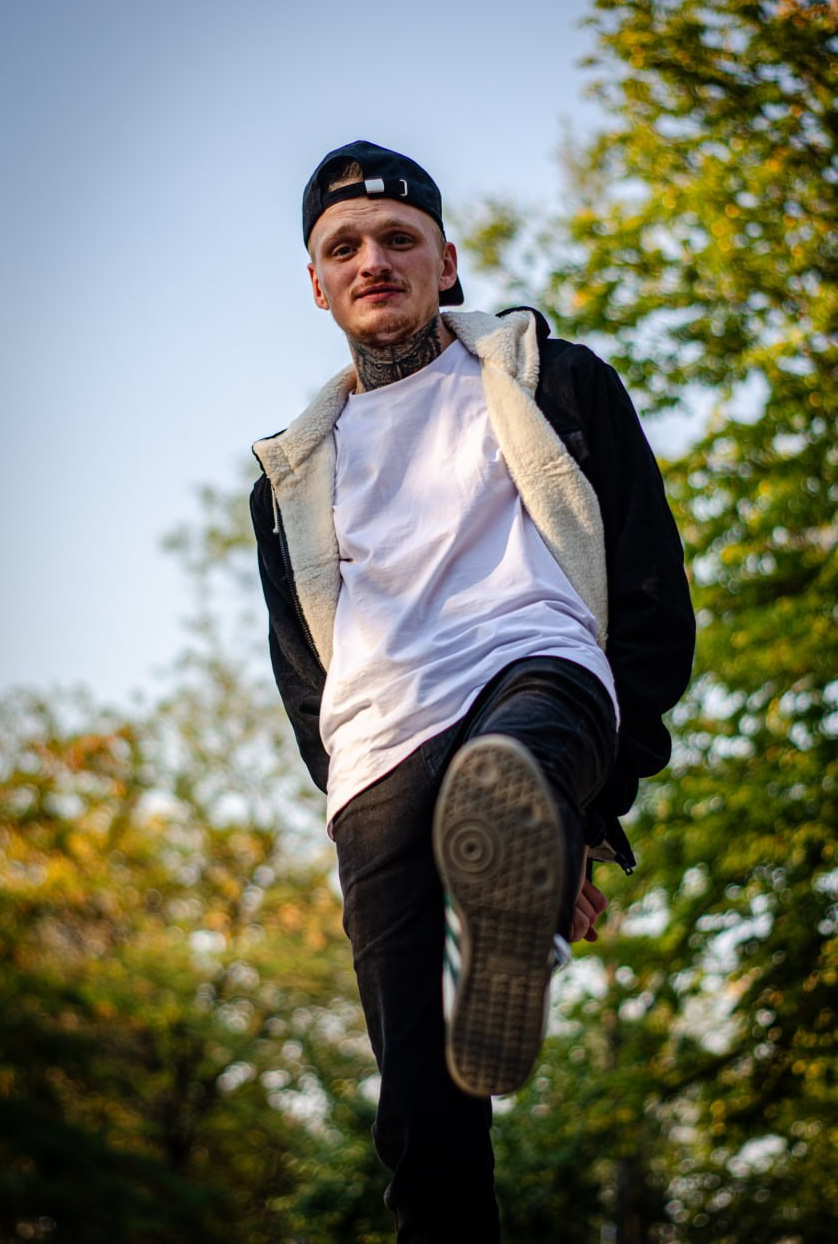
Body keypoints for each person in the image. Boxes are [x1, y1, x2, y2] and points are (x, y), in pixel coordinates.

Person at [250, 140, 695, 1242]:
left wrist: (582, 817)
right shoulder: (292, 475)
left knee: (523, 746)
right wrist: (345, 793)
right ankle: (506, 914)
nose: (372, 260)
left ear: (445, 262)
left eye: (398, 239)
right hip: (378, 760)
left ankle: (519, 874)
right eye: (343, 248)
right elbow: (306, 678)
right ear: (316, 284)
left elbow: (647, 586)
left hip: (532, 668)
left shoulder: (554, 380)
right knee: (422, 1115)